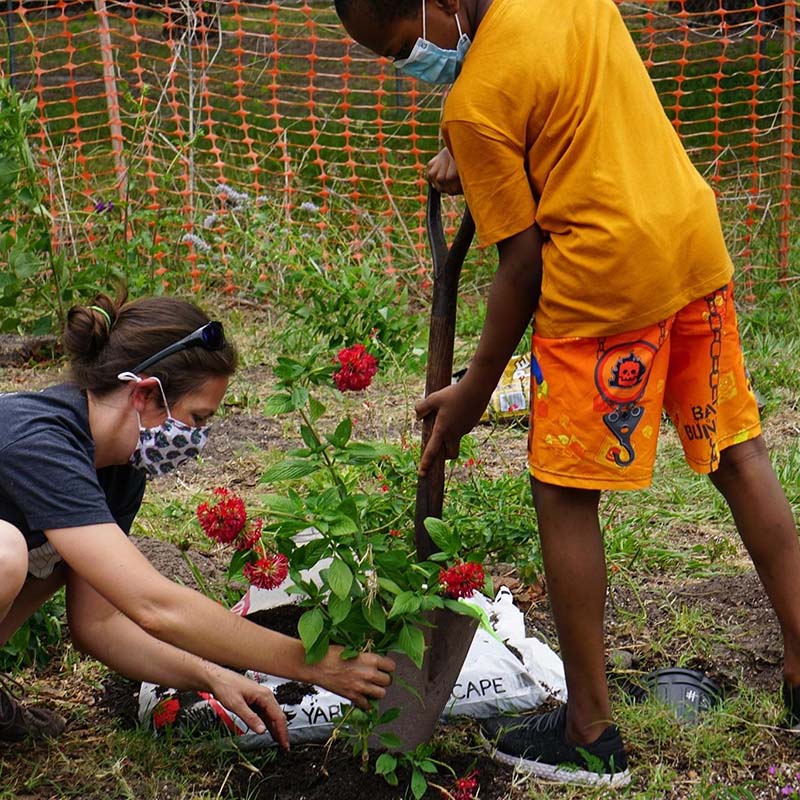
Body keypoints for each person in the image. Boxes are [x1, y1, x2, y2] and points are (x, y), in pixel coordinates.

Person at [333, 0, 800, 787]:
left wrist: (471, 391)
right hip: (688, 243)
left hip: (604, 284)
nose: (409, 64)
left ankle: (589, 732)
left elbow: (522, 268)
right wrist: (468, 147)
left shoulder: (477, 99)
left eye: (403, 45)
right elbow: (554, 103)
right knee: (737, 453)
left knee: (562, 490)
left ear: (437, 6)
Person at [0, 292, 395, 746]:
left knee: (56, 554)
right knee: (6, 553)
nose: (198, 437)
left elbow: (99, 625)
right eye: (196, 417)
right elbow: (154, 606)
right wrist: (309, 662)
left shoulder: (118, 471)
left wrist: (212, 675)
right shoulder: (41, 441)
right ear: (146, 393)